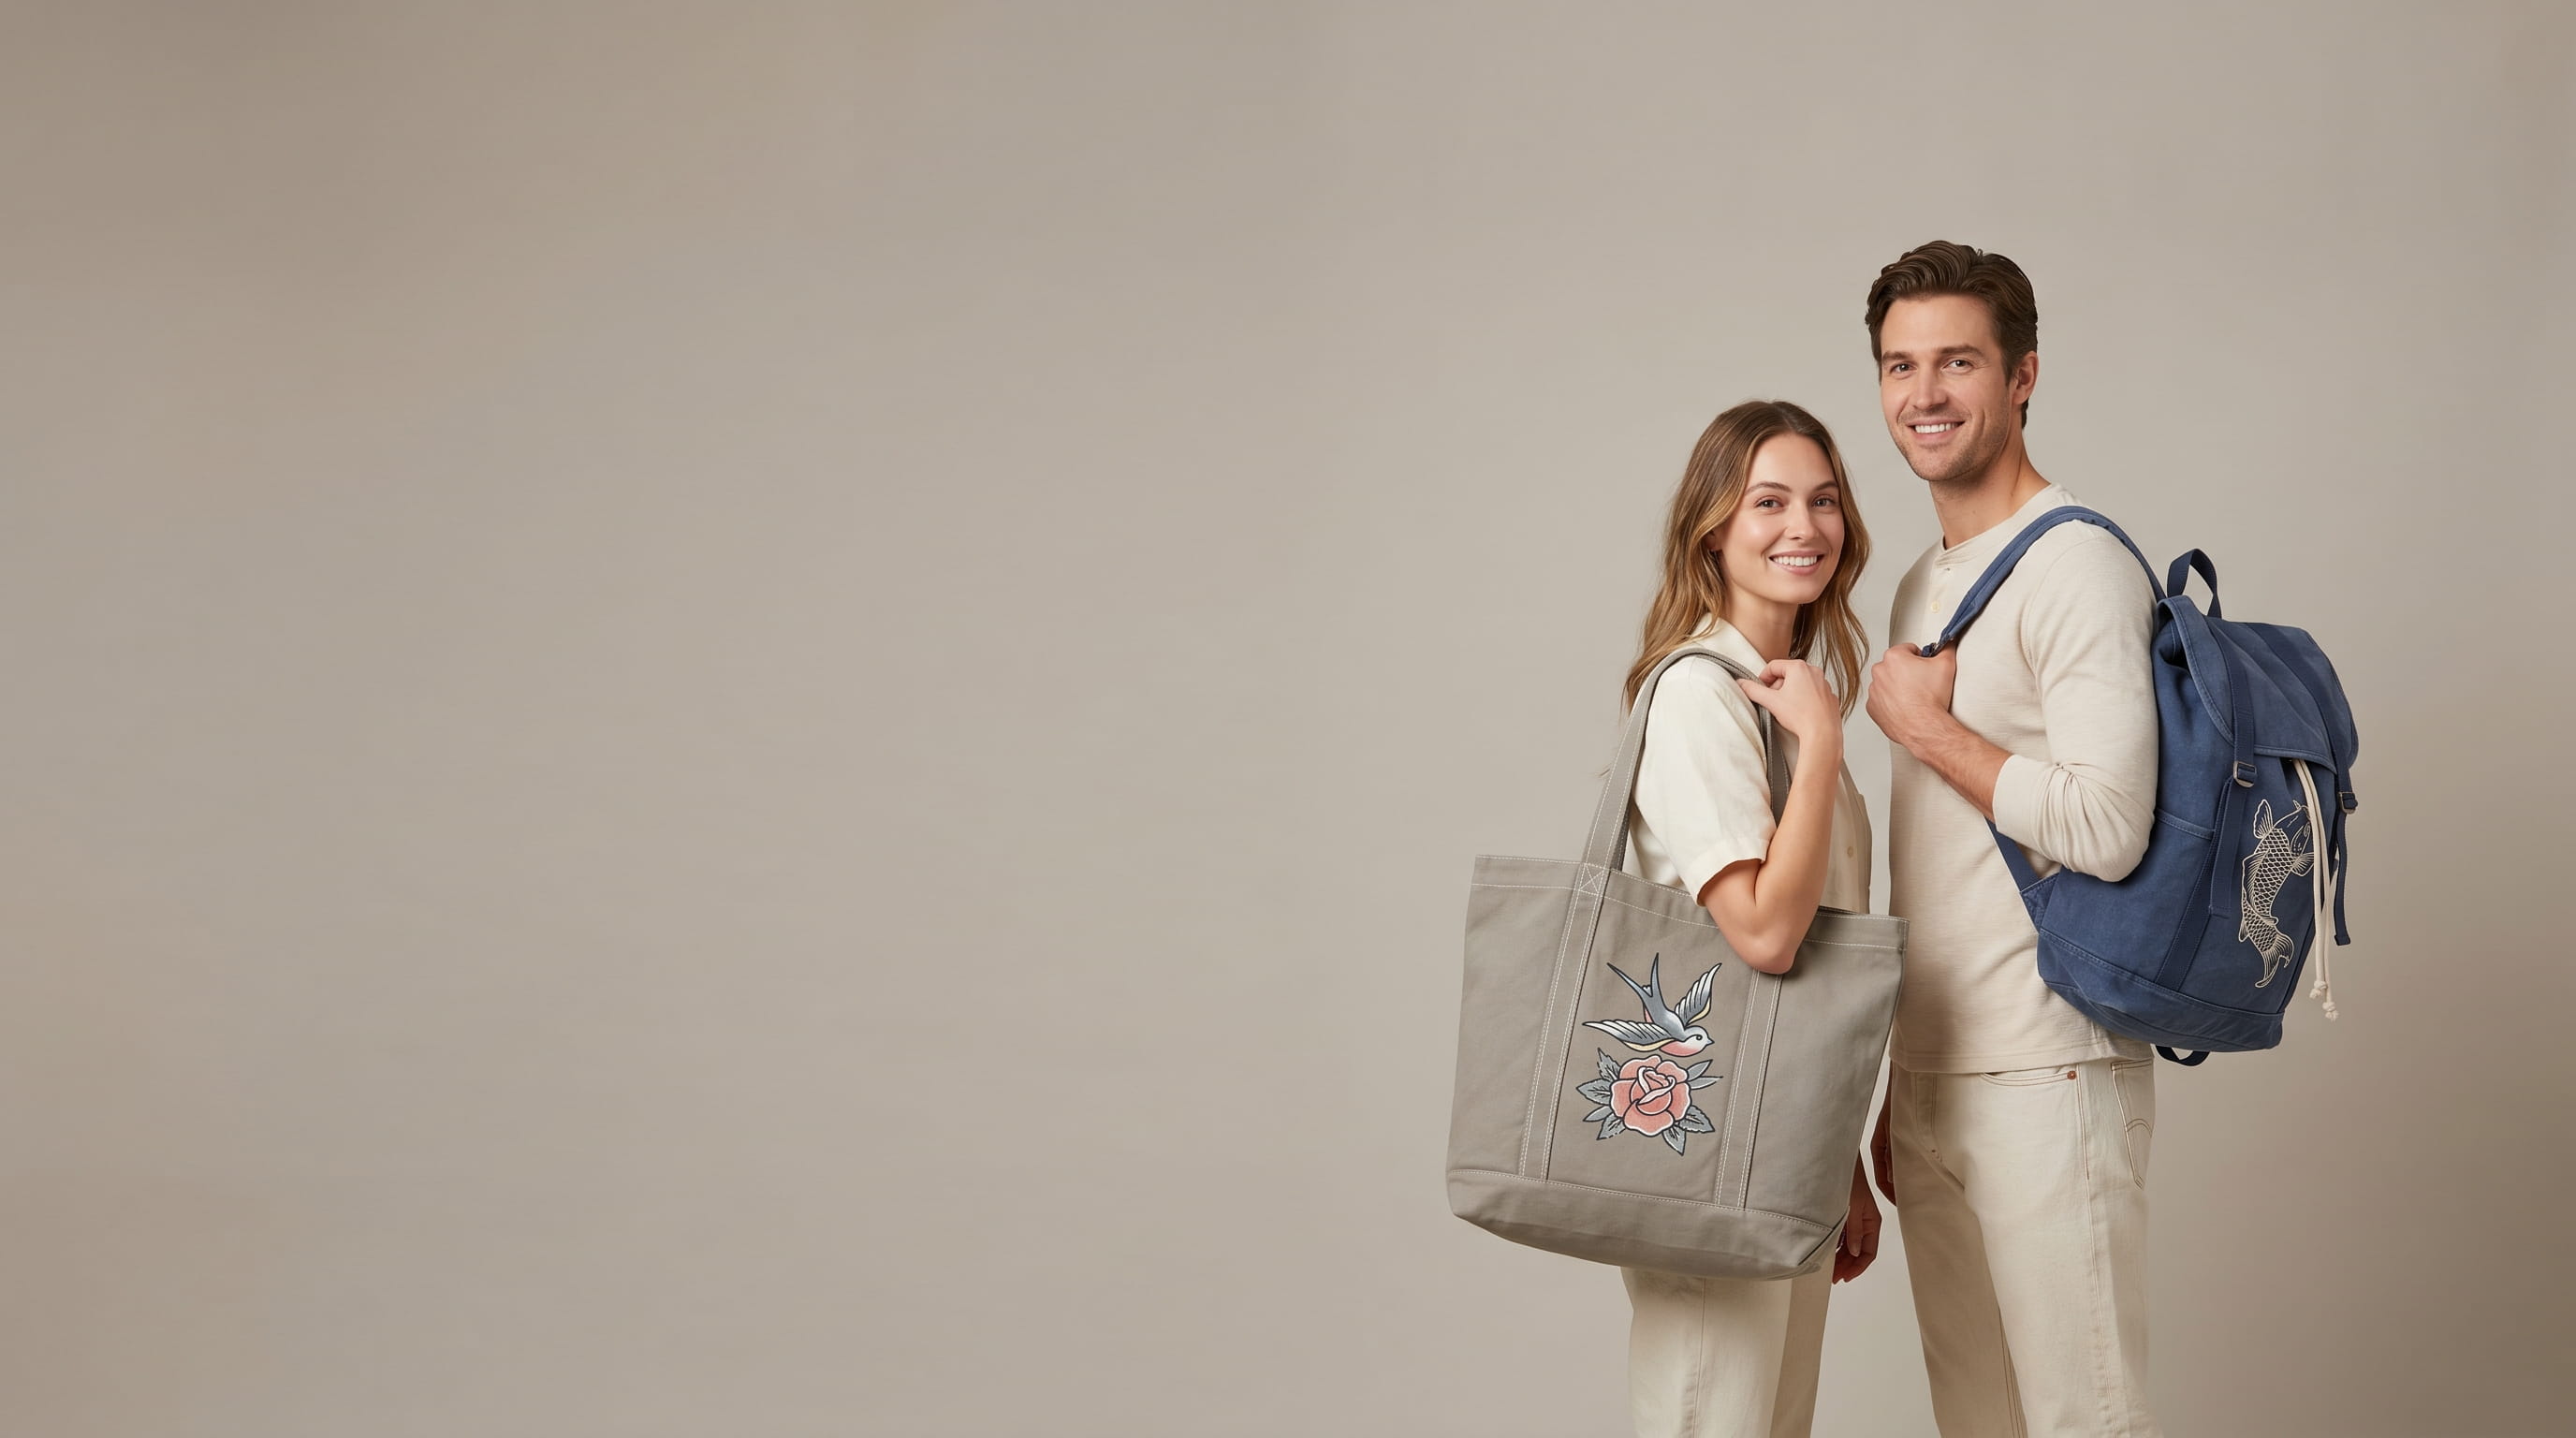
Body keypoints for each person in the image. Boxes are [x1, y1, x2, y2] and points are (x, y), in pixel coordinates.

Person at [1860, 241, 2164, 1436]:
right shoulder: (1920, 584)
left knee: (2083, 1419)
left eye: (1957, 362)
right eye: (1899, 366)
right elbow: (1934, 869)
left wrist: (1929, 732)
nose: (1924, 394)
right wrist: (1903, 1077)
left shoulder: (2075, 561)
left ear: (2022, 375)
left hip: (2050, 1069)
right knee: (1974, 1421)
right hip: (1937, 1075)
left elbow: (2108, 824)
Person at [1616, 398, 1883, 1438]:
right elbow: (1766, 934)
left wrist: (1837, 1153)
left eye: (1823, 500)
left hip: (1782, 1141)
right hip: (1708, 1142)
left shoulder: (1783, 706)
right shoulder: (1701, 695)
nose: (1802, 527)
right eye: (1767, 502)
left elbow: (1816, 969)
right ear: (1712, 531)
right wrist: (1821, 749)